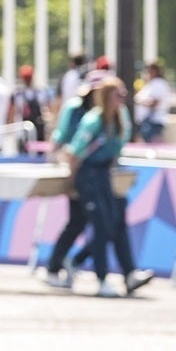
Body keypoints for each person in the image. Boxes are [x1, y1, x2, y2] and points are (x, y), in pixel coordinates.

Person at [66, 78, 155, 298]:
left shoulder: (121, 118)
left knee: (117, 222)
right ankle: (101, 277)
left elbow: (116, 151)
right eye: (119, 95)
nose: (123, 99)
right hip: (88, 175)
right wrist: (71, 184)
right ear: (107, 97)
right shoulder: (93, 121)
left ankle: (129, 273)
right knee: (101, 225)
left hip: (106, 174)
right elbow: (74, 154)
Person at [40, 74, 105, 290]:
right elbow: (62, 136)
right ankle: (57, 265)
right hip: (75, 169)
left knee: (84, 222)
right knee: (79, 220)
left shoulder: (106, 113)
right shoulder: (75, 108)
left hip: (93, 173)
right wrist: (63, 168)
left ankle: (62, 264)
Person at [133, 60, 171, 144]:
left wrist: (138, 101)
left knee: (151, 147)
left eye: (150, 71)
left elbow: (155, 102)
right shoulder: (152, 84)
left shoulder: (158, 83)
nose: (147, 73)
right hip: (148, 121)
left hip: (154, 122)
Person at [11, 65, 47, 143]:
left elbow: (45, 110)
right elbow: (14, 112)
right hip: (22, 130)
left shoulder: (40, 93)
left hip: (38, 130)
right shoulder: (17, 94)